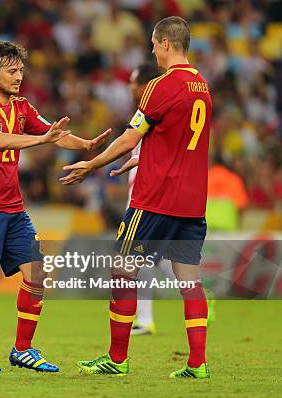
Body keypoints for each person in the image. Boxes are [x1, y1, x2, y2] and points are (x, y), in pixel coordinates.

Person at [61, 16, 212, 378]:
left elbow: (130, 136)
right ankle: (197, 363)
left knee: (122, 269)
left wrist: (91, 164)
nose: (151, 50)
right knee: (189, 280)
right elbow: (178, 140)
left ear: (164, 43)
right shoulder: (203, 85)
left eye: (153, 43)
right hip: (192, 202)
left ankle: (116, 358)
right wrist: (143, 157)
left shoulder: (159, 85)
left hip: (155, 198)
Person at [0, 40, 110, 373]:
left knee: (37, 273)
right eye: (12, 71)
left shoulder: (22, 106)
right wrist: (42, 140)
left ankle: (22, 349)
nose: (18, 77)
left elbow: (52, 133)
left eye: (21, 70)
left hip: (14, 209)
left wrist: (83, 144)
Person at [110, 63, 176, 336]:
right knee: (147, 259)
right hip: (140, 194)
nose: (130, 86)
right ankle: (146, 318)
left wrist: (93, 163)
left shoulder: (154, 111)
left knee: (129, 258)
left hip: (146, 197)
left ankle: (196, 294)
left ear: (146, 84)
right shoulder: (147, 111)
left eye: (134, 81)